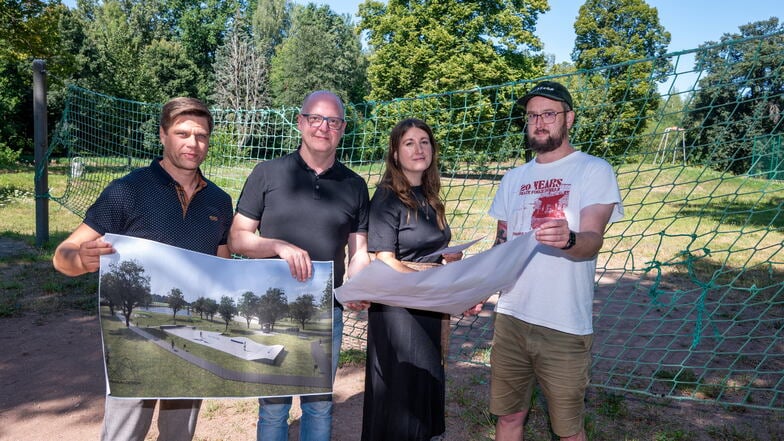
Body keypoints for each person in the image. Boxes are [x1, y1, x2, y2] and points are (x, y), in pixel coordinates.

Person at [52, 97, 234, 441]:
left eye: (201, 136)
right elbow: (63, 253)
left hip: (192, 336)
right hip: (134, 339)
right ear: (163, 136)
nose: (192, 143)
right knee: (125, 433)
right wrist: (80, 260)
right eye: (182, 133)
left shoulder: (219, 201)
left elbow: (221, 264)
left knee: (180, 433)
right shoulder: (128, 190)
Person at [477, 81, 624, 441]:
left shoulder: (594, 170)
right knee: (509, 417)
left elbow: (592, 242)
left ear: (568, 119)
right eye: (532, 116)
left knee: (568, 431)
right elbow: (502, 246)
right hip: (511, 318)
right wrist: (476, 288)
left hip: (564, 324)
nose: (539, 122)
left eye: (549, 114)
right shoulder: (513, 179)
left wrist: (569, 238)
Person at [228, 90, 370, 441]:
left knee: (318, 404)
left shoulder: (355, 185)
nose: (324, 127)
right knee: (274, 405)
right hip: (272, 307)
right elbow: (238, 239)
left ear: (342, 128)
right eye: (316, 118)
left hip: (326, 311)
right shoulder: (267, 173)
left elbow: (359, 251)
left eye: (333, 121)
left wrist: (359, 286)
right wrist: (276, 245)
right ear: (300, 122)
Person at [361, 118, 461, 441]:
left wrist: (447, 257)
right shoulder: (387, 199)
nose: (419, 149)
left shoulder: (430, 196)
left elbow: (429, 249)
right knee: (402, 393)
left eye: (424, 142)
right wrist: (428, 280)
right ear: (394, 152)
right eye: (409, 143)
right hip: (398, 311)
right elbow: (385, 261)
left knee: (426, 382)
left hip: (430, 306)